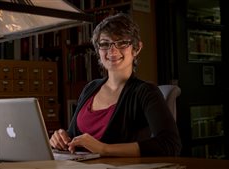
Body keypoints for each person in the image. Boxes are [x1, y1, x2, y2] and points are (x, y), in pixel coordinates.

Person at [49, 13, 181, 157]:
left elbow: (170, 144)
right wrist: (62, 138)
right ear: (98, 51)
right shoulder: (90, 88)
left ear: (136, 48)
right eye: (105, 44)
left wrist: (104, 149)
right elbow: (74, 135)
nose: (112, 50)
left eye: (122, 42)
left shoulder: (146, 92)